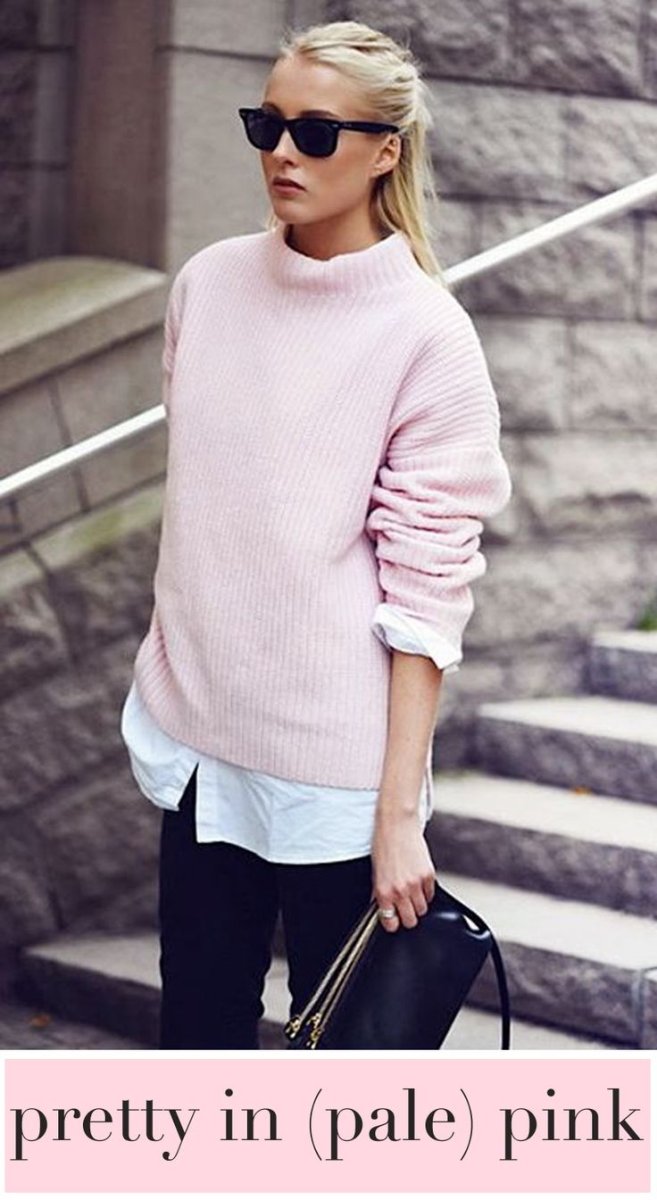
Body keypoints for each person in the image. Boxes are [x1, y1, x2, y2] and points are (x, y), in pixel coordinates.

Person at [119, 18, 513, 1050]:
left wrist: (397, 816)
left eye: (316, 132)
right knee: (195, 1041)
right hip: (200, 744)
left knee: (340, 1078)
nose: (283, 153)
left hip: (334, 777)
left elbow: (425, 599)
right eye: (268, 125)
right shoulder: (208, 284)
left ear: (385, 150)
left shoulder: (426, 335)